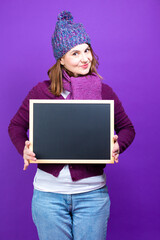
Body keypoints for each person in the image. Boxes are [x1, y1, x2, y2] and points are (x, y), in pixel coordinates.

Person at [8, 10, 135, 240]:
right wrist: (24, 149)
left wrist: (117, 146)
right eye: (75, 53)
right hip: (48, 197)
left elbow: (127, 129)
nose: (85, 58)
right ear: (61, 59)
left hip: (92, 196)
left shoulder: (103, 92)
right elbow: (15, 126)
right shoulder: (42, 92)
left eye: (86, 50)